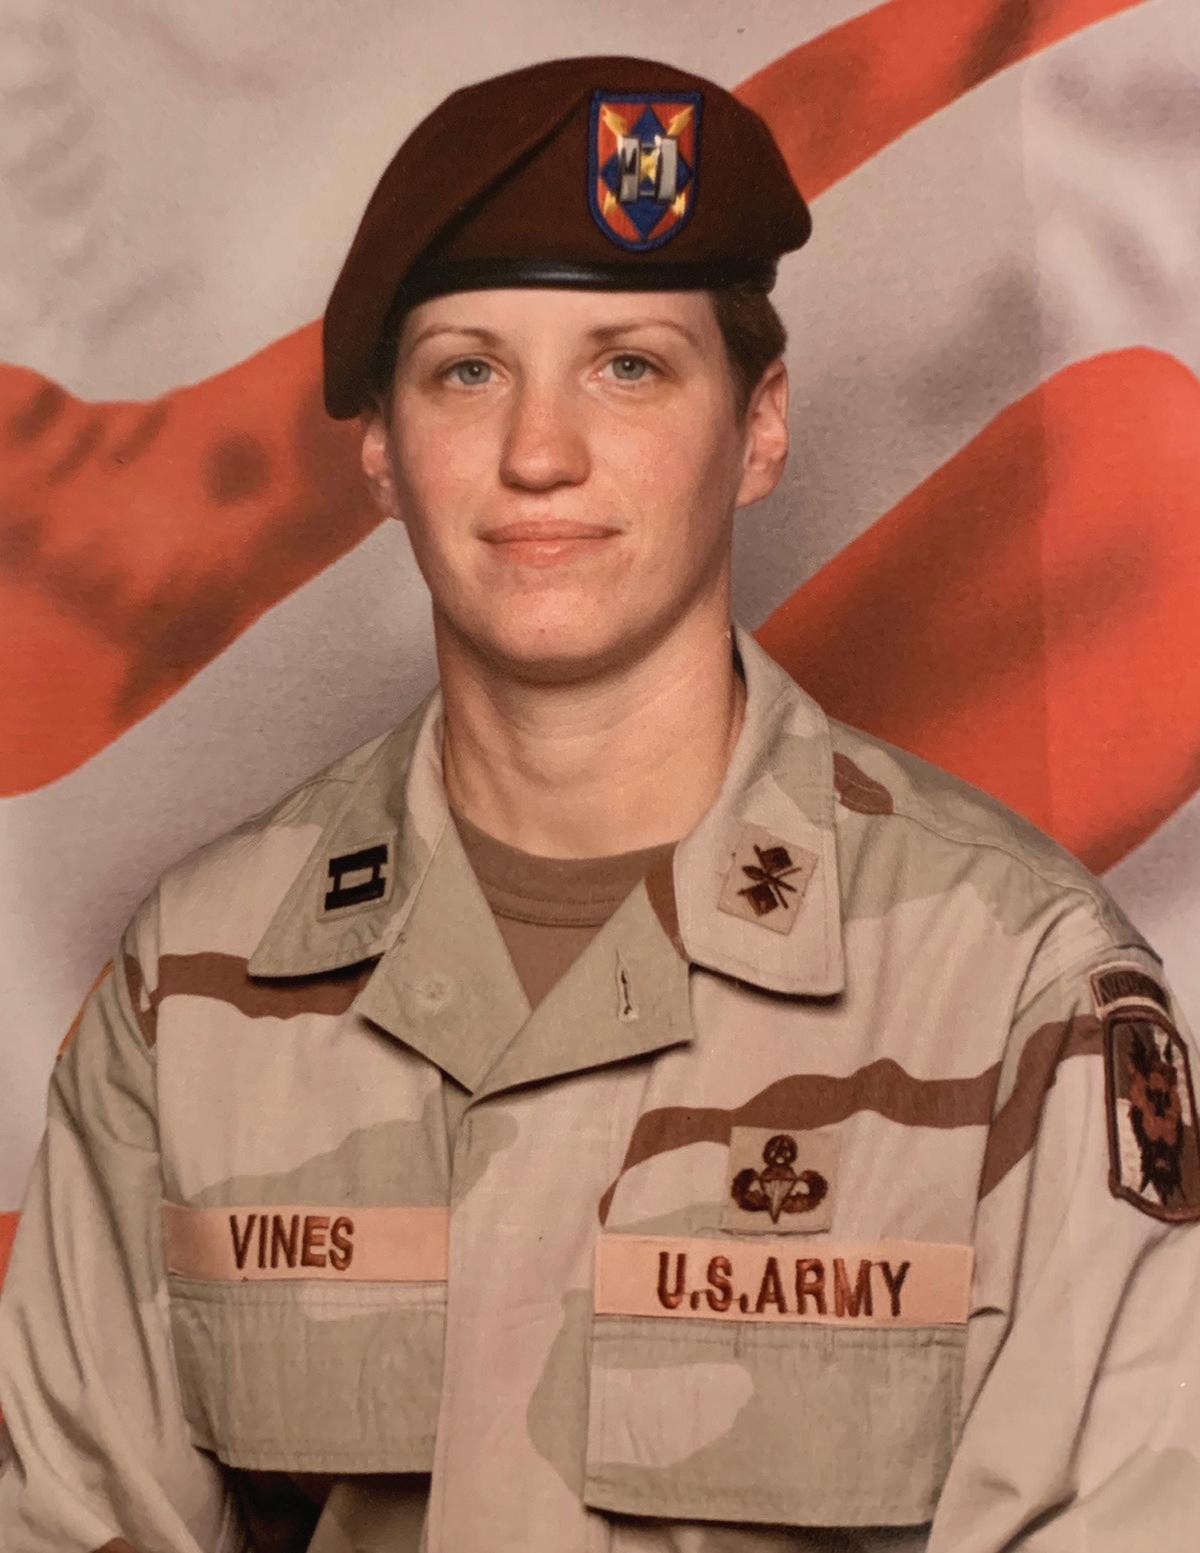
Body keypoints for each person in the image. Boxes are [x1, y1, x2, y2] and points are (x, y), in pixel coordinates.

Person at [1, 52, 1198, 1553]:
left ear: (761, 426)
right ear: (380, 452)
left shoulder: (1019, 989)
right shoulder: (195, 990)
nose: (540, 454)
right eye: (468, 370)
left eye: (628, 365)